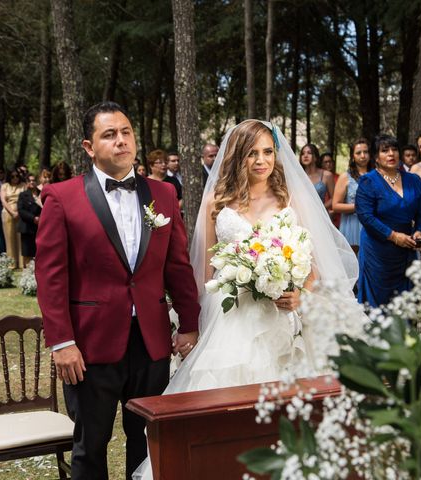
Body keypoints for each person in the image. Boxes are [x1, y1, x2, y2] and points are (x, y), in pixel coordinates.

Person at [133, 119, 359, 479]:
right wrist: (198, 323)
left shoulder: (291, 199)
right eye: (252, 153)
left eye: (268, 152)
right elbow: (205, 275)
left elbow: (311, 267)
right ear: (237, 156)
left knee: (293, 418)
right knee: (231, 419)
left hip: (288, 320)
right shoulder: (215, 203)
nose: (261, 160)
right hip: (235, 321)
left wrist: (298, 293)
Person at [35, 101, 200, 480]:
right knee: (90, 447)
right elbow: (51, 277)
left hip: (152, 343)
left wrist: (189, 323)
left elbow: (176, 265)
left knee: (148, 445)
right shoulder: (61, 197)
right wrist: (62, 342)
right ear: (89, 147)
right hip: (90, 348)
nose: (121, 141)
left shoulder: (164, 195)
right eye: (109, 134)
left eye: (126, 132)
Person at [356, 134, 421, 307]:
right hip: (377, 250)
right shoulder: (368, 181)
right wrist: (393, 236)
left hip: (406, 249)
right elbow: (366, 217)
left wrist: (418, 230)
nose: (391, 154)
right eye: (384, 150)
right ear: (376, 157)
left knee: (405, 302)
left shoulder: (413, 180)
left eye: (394, 149)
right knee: (378, 305)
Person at [333, 138, 372, 253]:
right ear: (352, 156)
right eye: (358, 153)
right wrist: (359, 206)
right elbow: (335, 206)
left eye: (366, 152)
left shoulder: (377, 175)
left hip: (372, 223)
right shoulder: (345, 177)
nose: (363, 155)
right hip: (351, 224)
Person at [0, 170, 26, 268]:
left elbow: (26, 199)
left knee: (21, 238)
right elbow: (3, 200)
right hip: (7, 213)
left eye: (17, 176)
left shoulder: (23, 185)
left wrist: (19, 212)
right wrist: (12, 212)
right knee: (9, 238)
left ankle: (22, 262)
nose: (15, 178)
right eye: (12, 176)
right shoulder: (4, 186)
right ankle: (11, 263)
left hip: (21, 213)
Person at [17, 174, 42, 267]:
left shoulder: (42, 193)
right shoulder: (23, 195)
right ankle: (28, 272)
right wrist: (33, 218)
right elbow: (21, 210)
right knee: (27, 251)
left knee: (40, 250)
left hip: (40, 226)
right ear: (27, 183)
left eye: (34, 180)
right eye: (29, 181)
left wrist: (40, 217)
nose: (32, 182)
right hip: (27, 227)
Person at [299, 143, 335, 209]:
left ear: (315, 157)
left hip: (321, 216)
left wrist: (320, 210)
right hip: (302, 216)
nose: (305, 155)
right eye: (303, 154)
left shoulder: (326, 175)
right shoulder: (298, 176)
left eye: (309, 153)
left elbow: (334, 198)